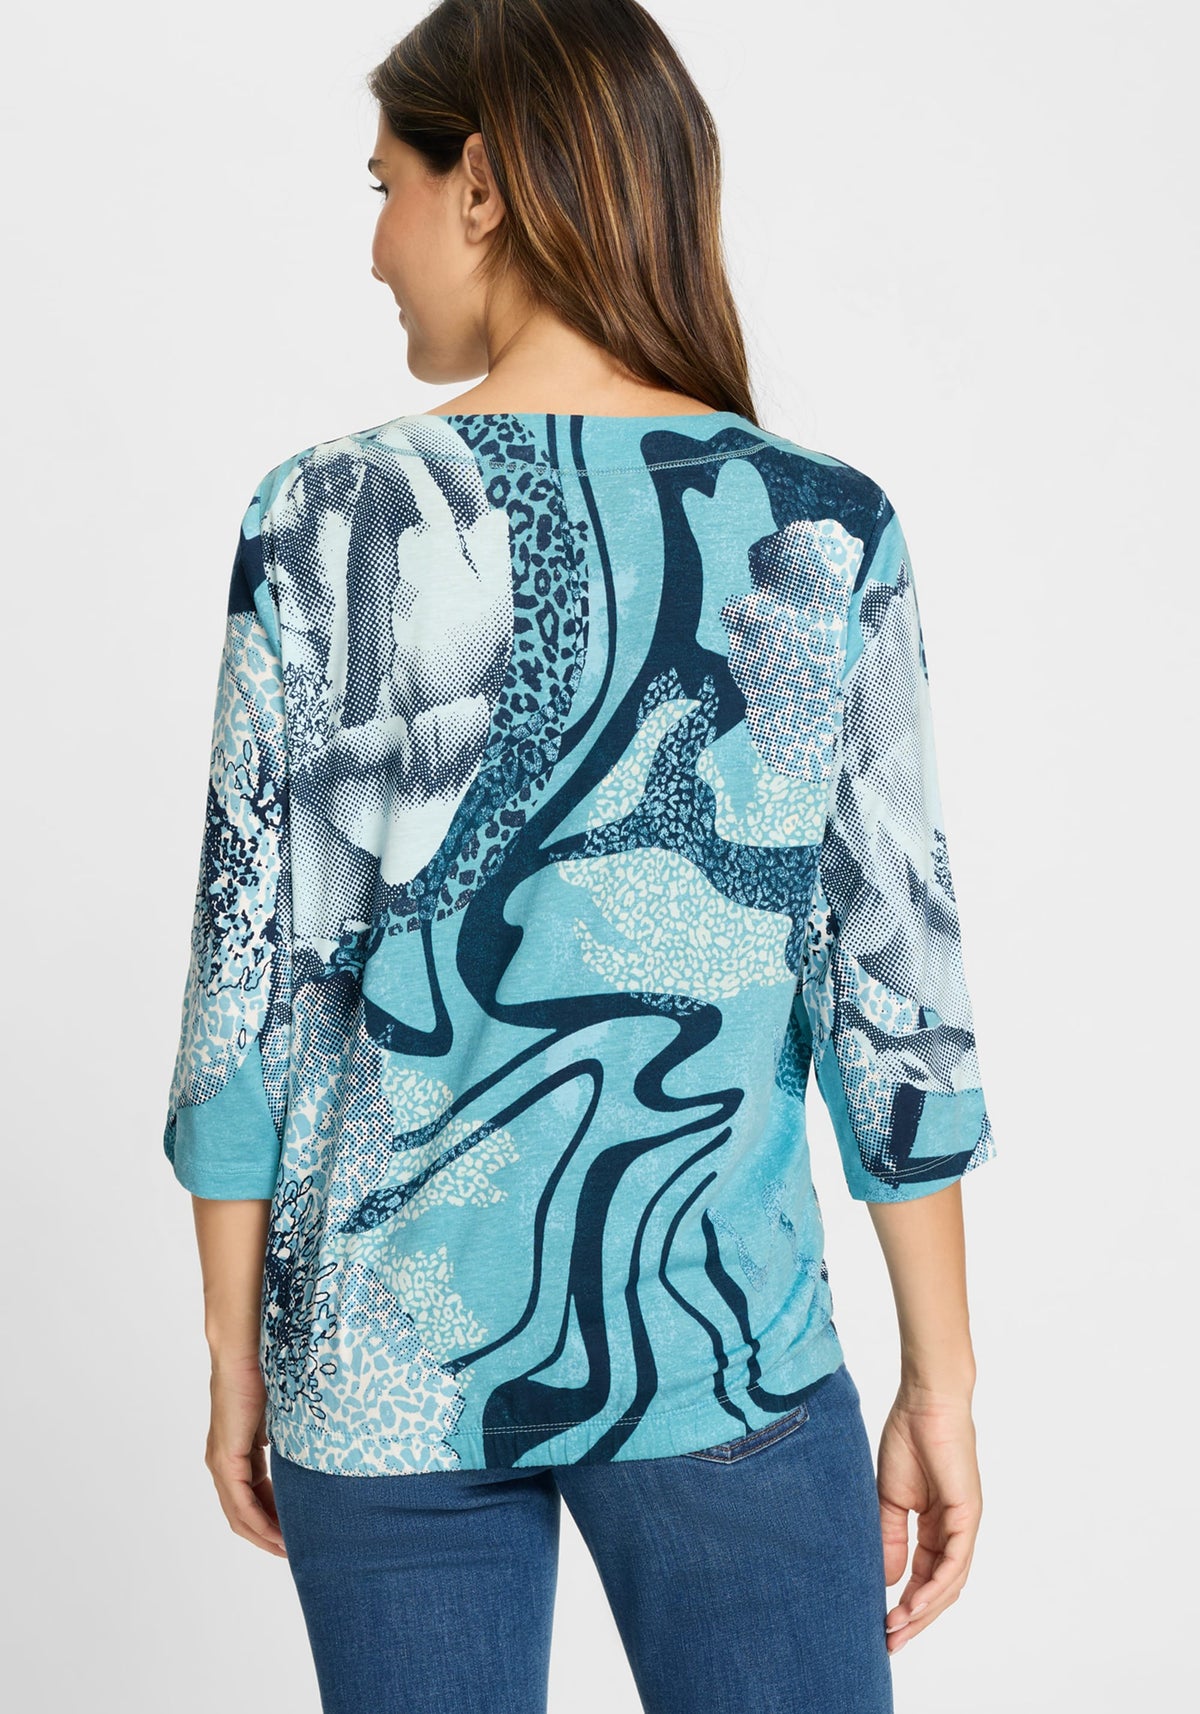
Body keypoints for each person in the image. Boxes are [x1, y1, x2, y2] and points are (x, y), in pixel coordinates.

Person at [161, 2, 999, 1710]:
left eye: (385, 185)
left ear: (480, 185)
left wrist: (236, 1354)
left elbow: (242, 992)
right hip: (718, 1340)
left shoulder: (320, 519)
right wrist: (943, 1381)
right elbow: (894, 1003)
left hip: (379, 1368)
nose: (375, 246)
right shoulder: (821, 525)